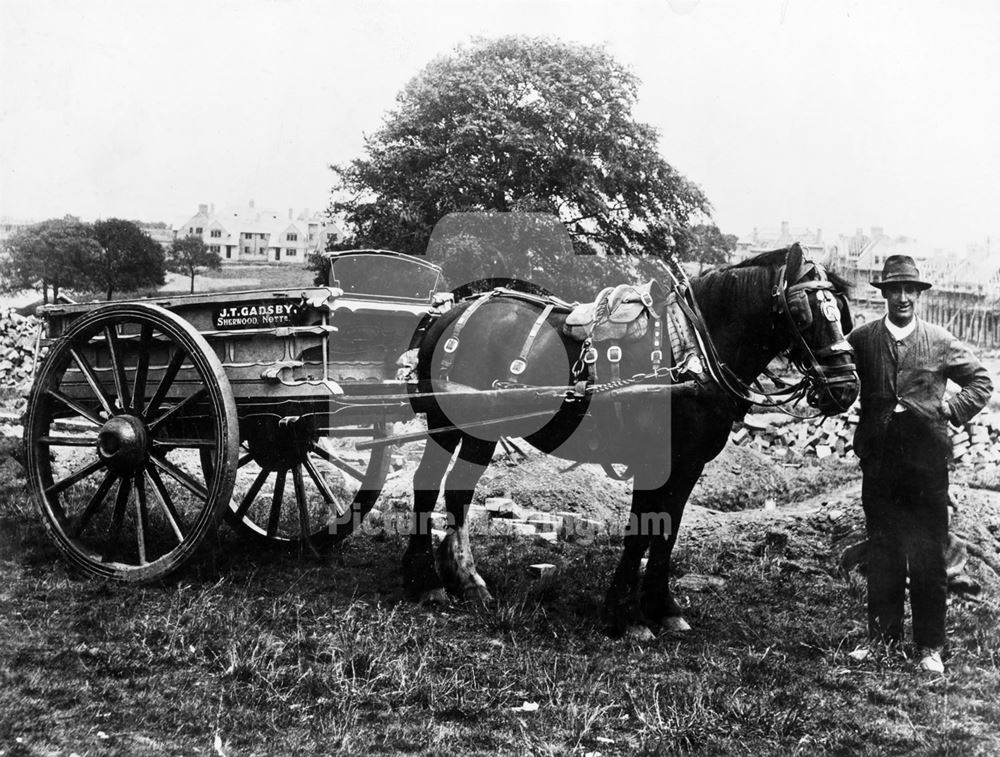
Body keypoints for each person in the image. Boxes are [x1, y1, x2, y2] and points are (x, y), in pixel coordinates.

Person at [847, 254, 993, 674]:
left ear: (918, 294)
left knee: (928, 552)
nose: (903, 297)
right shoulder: (862, 339)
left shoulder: (940, 340)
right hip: (879, 459)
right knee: (883, 548)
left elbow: (981, 380)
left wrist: (952, 409)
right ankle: (881, 640)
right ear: (885, 295)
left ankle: (929, 646)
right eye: (895, 289)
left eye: (910, 290)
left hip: (927, 459)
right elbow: (835, 374)